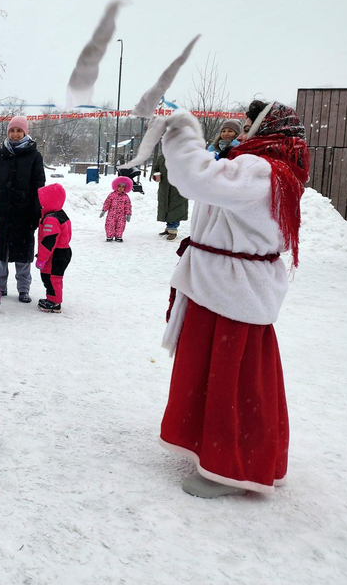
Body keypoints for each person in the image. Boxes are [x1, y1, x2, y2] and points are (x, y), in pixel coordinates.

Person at [157, 101, 309, 498]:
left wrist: (182, 132)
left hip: (231, 287)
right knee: (218, 374)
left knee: (231, 381)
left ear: (265, 129)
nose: (240, 133)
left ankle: (231, 466)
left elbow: (197, 179)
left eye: (247, 125)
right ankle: (210, 449)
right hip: (224, 284)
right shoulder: (269, 168)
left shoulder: (260, 170)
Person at [0, 116, 46, 303]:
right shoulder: (0, 155)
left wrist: (37, 211)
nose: (15, 134)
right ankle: (0, 285)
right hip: (1, 211)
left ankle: (24, 288)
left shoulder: (34, 156)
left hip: (24, 212)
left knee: (23, 252)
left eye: (19, 131)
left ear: (25, 132)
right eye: (12, 130)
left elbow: (39, 185)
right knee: (0, 251)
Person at [35, 183, 73, 313]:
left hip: (56, 254)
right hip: (63, 251)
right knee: (54, 276)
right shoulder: (60, 214)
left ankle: (54, 302)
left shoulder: (51, 219)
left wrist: (41, 259)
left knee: (52, 277)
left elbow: (49, 242)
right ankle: (52, 298)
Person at [151, 151, 187, 241]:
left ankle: (173, 230)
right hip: (164, 188)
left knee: (175, 208)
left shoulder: (183, 156)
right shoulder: (162, 157)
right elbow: (155, 169)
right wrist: (155, 176)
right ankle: (169, 227)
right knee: (166, 207)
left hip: (177, 188)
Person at [101, 175, 133, 242]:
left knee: (120, 225)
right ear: (116, 186)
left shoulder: (126, 197)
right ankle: (109, 236)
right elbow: (107, 202)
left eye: (123, 187)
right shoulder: (112, 195)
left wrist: (128, 214)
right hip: (111, 214)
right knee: (110, 225)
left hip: (121, 215)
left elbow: (128, 206)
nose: (121, 188)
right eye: (119, 186)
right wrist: (104, 210)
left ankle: (118, 236)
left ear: (125, 188)